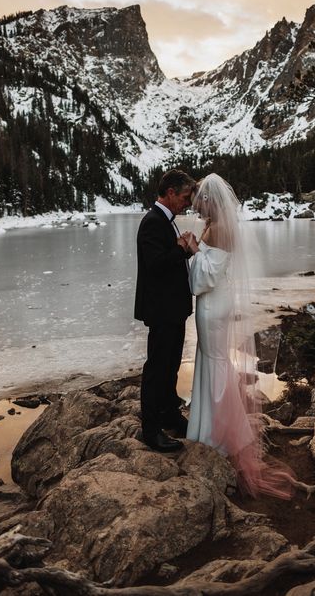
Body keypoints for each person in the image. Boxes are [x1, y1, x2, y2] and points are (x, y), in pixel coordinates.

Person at [183, 173, 295, 499]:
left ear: (211, 201)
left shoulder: (217, 229)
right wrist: (198, 249)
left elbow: (206, 277)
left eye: (200, 199)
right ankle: (213, 428)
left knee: (215, 361)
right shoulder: (217, 227)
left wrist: (192, 252)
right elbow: (212, 266)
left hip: (212, 303)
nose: (195, 203)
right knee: (211, 360)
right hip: (215, 302)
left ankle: (217, 433)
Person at [134, 169, 196, 452]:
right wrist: (182, 249)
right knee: (156, 369)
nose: (187, 203)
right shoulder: (152, 222)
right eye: (184, 197)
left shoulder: (165, 220)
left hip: (173, 308)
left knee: (171, 366)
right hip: (161, 310)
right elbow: (155, 265)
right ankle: (150, 430)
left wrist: (180, 247)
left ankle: (169, 414)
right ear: (170, 192)